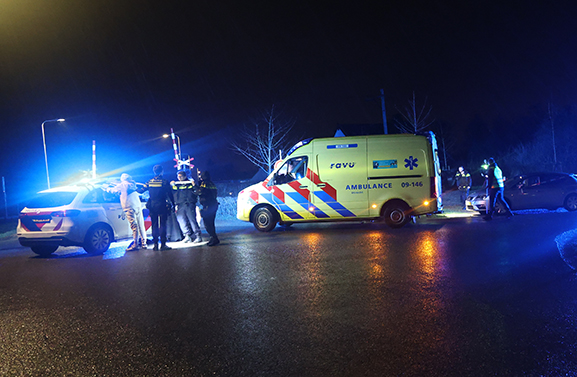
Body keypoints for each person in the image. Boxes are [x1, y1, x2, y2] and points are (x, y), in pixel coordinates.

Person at [106, 174, 147, 251]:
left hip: (128, 206)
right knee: (141, 224)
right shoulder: (133, 184)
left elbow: (113, 190)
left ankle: (135, 244)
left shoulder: (123, 185)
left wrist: (106, 188)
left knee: (134, 225)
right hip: (137, 205)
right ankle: (144, 243)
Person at [139, 165, 174, 250]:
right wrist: (173, 204)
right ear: (162, 171)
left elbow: (141, 190)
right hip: (162, 205)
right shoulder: (164, 181)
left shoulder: (149, 182)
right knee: (162, 225)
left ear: (154, 172)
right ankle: (163, 244)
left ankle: (155, 245)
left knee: (154, 225)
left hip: (152, 205)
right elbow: (170, 194)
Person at [172, 170, 202, 243]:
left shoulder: (190, 183)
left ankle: (198, 236)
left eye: (180, 176)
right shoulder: (177, 184)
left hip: (189, 204)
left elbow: (198, 191)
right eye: (178, 176)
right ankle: (187, 236)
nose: (179, 178)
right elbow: (173, 192)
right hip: (180, 205)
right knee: (181, 221)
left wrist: (194, 185)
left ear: (185, 176)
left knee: (192, 220)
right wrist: (172, 185)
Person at [196, 170, 219, 246]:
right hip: (213, 205)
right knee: (211, 223)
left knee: (208, 223)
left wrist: (195, 186)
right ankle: (213, 238)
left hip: (208, 206)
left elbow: (200, 192)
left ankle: (213, 238)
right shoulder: (211, 183)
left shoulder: (205, 184)